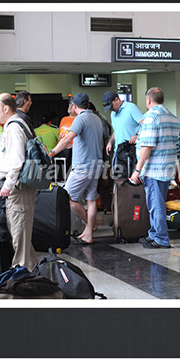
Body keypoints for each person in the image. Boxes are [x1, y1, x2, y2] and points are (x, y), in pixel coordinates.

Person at [0, 92, 38, 271]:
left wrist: (8, 184)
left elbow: (17, 160)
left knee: (19, 235)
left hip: (18, 187)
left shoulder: (14, 127)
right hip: (15, 185)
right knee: (21, 236)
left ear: (6, 108)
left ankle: (20, 276)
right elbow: (6, 156)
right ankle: (33, 273)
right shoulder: (11, 126)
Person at [129, 87, 180, 250]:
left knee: (155, 203)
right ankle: (154, 233)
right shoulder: (172, 117)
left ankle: (161, 238)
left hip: (154, 169)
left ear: (148, 100)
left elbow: (147, 146)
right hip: (167, 167)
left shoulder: (151, 118)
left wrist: (137, 170)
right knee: (157, 201)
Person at [50, 92, 104, 245]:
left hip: (83, 166)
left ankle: (89, 226)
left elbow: (68, 138)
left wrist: (52, 152)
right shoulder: (96, 118)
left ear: (74, 106)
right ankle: (88, 233)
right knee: (91, 200)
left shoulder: (80, 119)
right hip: (97, 164)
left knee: (68, 198)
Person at [102, 90, 143, 162]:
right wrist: (111, 141)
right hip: (118, 152)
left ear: (117, 99)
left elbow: (145, 125)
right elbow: (117, 130)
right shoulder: (113, 114)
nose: (110, 109)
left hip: (131, 152)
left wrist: (137, 135)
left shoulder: (131, 108)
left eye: (111, 106)